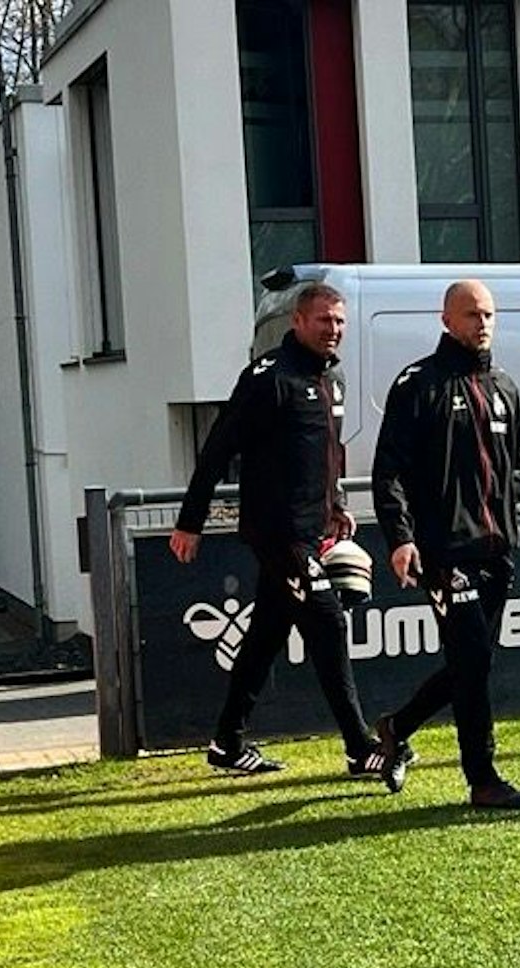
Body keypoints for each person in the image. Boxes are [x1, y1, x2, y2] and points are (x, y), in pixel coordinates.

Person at [169, 283, 392, 783]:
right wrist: (191, 521)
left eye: (339, 322)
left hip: (312, 530)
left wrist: (335, 505)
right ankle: (360, 748)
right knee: (329, 624)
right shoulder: (269, 378)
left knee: (266, 635)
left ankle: (227, 743)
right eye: (323, 321)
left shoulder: (333, 381)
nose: (333, 330)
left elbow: (326, 452)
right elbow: (217, 449)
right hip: (277, 532)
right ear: (298, 322)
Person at [371, 280, 520, 810]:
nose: (481, 323)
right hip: (445, 551)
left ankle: (397, 726)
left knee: (473, 663)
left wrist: (513, 528)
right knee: (471, 660)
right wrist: (401, 538)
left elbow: (514, 472)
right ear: (446, 320)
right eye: (470, 315)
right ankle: (482, 778)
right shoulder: (419, 383)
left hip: (495, 549)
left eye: (488, 314)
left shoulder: (505, 385)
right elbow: (388, 469)